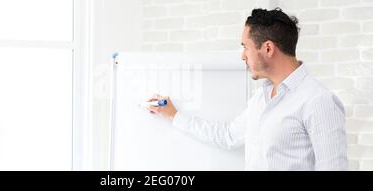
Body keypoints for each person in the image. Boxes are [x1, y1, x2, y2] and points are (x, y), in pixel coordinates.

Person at [146, 8, 347, 171]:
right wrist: (174, 115)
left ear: (268, 49)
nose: (243, 56)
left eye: (245, 47)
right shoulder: (261, 98)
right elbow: (228, 136)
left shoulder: (318, 100)